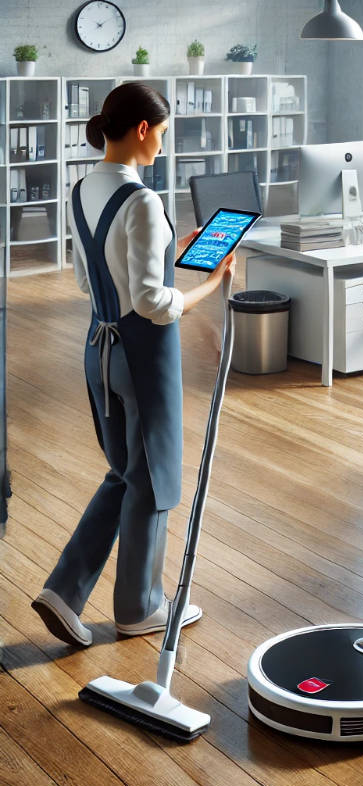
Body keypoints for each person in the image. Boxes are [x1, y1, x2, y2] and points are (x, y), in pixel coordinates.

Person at [32, 83, 234, 646]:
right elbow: (152, 302)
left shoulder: (80, 191)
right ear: (143, 129)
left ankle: (64, 591)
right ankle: (140, 607)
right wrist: (208, 285)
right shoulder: (143, 201)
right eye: (162, 135)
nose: (163, 148)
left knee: (124, 473)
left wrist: (171, 249)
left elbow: (88, 278)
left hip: (98, 350)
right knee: (155, 479)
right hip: (145, 358)